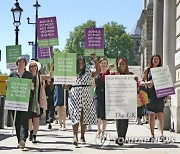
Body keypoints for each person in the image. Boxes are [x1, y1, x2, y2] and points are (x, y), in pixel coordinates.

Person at [64, 53, 100, 147]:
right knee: (75, 114)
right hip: (74, 94)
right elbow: (66, 84)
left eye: (82, 63)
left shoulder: (88, 71)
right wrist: (65, 85)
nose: (81, 65)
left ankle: (82, 136)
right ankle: (75, 136)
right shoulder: (71, 72)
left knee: (83, 116)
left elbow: (98, 71)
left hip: (85, 94)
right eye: (79, 63)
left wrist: (95, 59)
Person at [101, 58, 133, 146]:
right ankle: (120, 137)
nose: (121, 65)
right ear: (117, 65)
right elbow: (103, 78)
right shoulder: (114, 74)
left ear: (126, 65)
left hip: (127, 100)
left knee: (125, 119)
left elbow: (135, 85)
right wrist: (108, 69)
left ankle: (123, 136)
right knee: (119, 119)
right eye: (120, 64)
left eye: (123, 64)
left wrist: (136, 81)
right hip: (117, 100)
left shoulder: (130, 75)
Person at [140, 54, 166, 142]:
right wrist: (147, 83)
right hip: (150, 95)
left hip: (159, 95)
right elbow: (141, 82)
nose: (155, 61)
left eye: (157, 59)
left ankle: (161, 134)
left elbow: (166, 83)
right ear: (151, 60)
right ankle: (152, 135)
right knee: (151, 115)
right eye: (154, 59)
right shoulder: (147, 70)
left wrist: (167, 93)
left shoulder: (162, 70)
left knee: (160, 115)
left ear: (159, 61)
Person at [26, 60, 53, 143]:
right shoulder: (27, 76)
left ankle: (34, 136)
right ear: (29, 68)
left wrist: (51, 68)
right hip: (28, 101)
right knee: (29, 120)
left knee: (36, 119)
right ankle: (31, 131)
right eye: (32, 66)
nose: (33, 67)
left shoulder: (40, 77)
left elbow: (49, 76)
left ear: (37, 67)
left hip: (38, 101)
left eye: (35, 66)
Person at [9, 57, 33, 149]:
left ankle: (23, 139)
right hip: (14, 102)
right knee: (17, 121)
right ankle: (19, 140)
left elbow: (32, 89)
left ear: (25, 64)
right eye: (19, 62)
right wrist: (8, 85)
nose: (21, 63)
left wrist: (32, 87)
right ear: (17, 64)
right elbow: (9, 89)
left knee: (23, 120)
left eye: (23, 62)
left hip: (25, 102)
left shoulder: (29, 75)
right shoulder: (12, 75)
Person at [94, 57, 109, 138]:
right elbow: (93, 85)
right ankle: (98, 129)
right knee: (98, 113)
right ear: (99, 64)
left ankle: (103, 132)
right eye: (102, 63)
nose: (103, 64)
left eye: (105, 63)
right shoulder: (96, 74)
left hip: (106, 95)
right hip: (97, 95)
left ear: (106, 64)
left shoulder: (109, 74)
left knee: (104, 116)